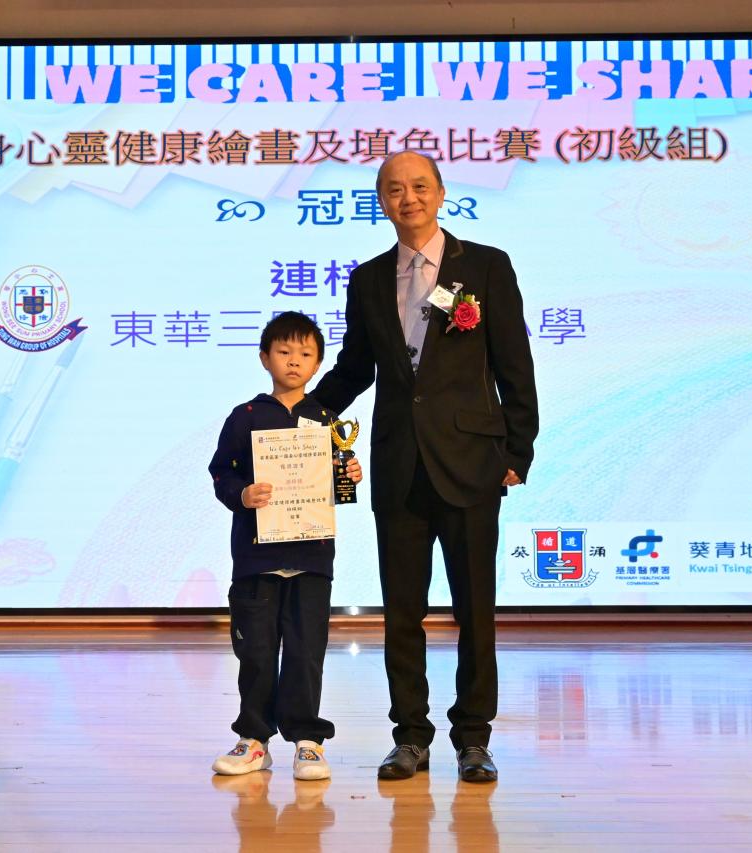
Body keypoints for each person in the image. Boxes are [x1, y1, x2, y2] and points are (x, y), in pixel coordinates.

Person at [311, 151, 539, 783]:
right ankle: (410, 735)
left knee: (476, 610)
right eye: (393, 189)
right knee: (402, 611)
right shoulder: (368, 279)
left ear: (440, 193)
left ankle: (474, 738)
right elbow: (356, 368)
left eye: (418, 186)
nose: (406, 198)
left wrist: (517, 451)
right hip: (399, 465)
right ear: (381, 202)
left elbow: (514, 363)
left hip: (472, 463)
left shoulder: (486, 266)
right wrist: (299, 413)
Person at [208, 311, 363, 781]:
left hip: (311, 558)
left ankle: (307, 741)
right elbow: (222, 472)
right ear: (264, 358)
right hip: (257, 558)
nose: (294, 361)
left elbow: (333, 485)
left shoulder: (327, 420)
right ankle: (254, 739)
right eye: (284, 351)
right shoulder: (245, 417)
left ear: (317, 364)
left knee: (305, 651)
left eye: (306, 353)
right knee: (255, 653)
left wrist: (348, 477)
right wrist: (241, 494)